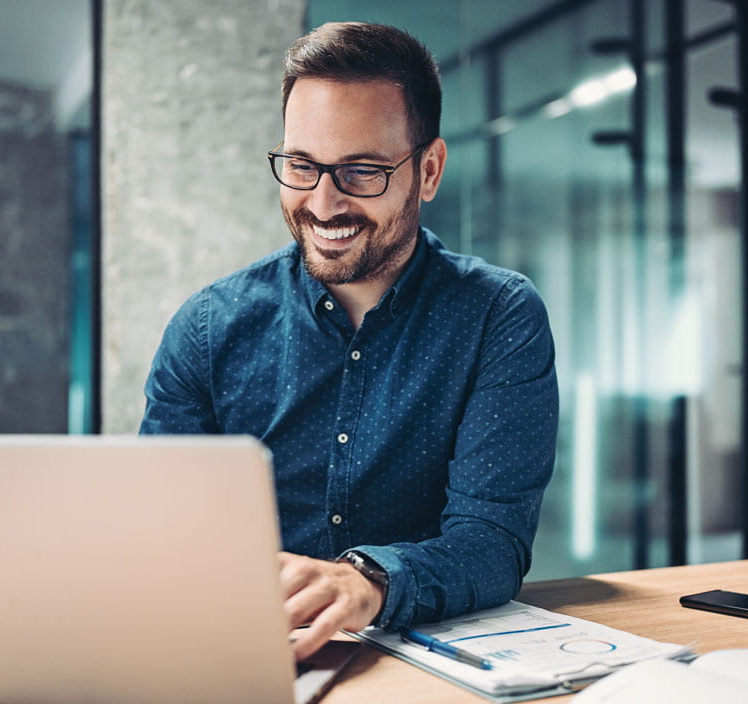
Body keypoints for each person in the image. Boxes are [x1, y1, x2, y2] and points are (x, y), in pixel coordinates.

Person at [140, 21, 558, 660]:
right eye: (302, 166)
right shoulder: (206, 328)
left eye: (361, 171)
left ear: (428, 170)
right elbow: (161, 534)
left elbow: (492, 543)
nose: (324, 203)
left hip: (420, 665)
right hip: (242, 658)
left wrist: (367, 581)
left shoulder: (497, 316)